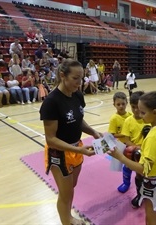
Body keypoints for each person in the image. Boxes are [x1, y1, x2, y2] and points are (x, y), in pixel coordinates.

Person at [39, 59, 102, 225]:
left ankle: (69, 217)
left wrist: (93, 132)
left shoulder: (78, 95)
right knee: (65, 194)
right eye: (75, 78)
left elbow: (78, 120)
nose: (79, 83)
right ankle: (66, 221)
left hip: (77, 148)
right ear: (62, 75)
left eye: (81, 78)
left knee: (71, 187)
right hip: (58, 153)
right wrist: (80, 151)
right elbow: (51, 139)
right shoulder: (51, 102)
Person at [108, 91, 156, 225]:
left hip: (154, 183)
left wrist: (119, 157)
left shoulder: (153, 137)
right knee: (152, 216)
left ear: (155, 113)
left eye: (143, 113)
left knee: (151, 220)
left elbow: (144, 169)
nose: (139, 115)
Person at [118, 91, 151, 209]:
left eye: (138, 107)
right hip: (132, 151)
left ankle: (140, 194)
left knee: (142, 175)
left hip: (146, 152)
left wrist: (144, 149)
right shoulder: (128, 121)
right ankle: (127, 184)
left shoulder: (148, 120)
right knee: (126, 169)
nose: (136, 110)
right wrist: (136, 148)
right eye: (133, 107)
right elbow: (126, 140)